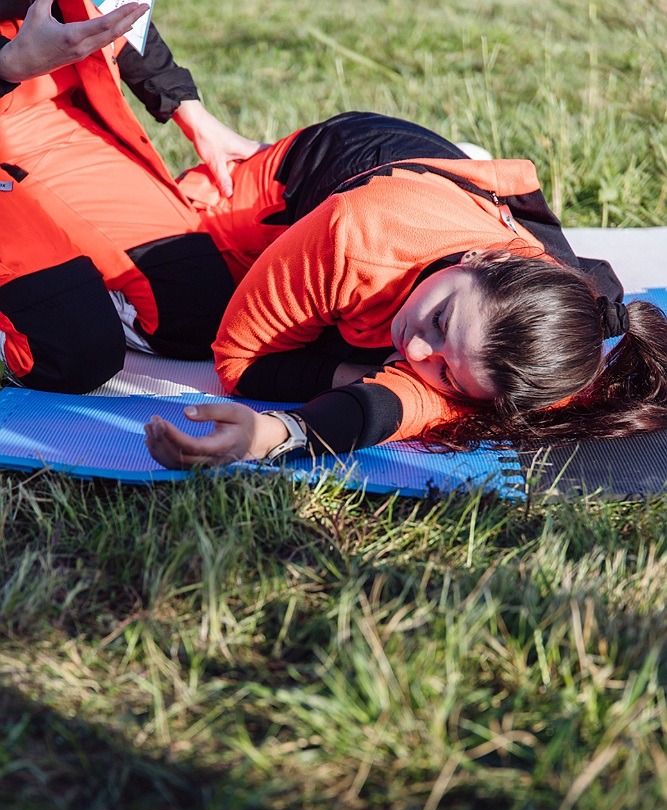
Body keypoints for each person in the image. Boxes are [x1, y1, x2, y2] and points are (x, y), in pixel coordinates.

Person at [143, 111, 667, 468]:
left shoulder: (550, 355)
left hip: (432, 189)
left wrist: (282, 433)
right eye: (440, 321)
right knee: (172, 308)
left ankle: (455, 173)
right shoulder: (356, 236)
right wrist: (374, 377)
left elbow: (404, 404)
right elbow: (240, 363)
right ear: (480, 258)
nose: (415, 352)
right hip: (308, 173)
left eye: (447, 374)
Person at [0, 0, 261, 391]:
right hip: (13, 78)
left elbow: (115, 11)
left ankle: (81, 284)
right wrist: (8, 67)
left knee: (196, 311)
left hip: (38, 123)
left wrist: (189, 111)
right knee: (71, 354)